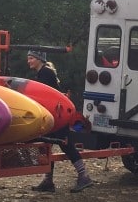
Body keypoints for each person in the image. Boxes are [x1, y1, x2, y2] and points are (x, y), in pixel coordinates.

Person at [27, 49, 93, 193]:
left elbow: (45, 96)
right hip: (52, 115)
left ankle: (84, 176)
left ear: (39, 59)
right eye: (28, 58)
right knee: (47, 145)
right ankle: (48, 181)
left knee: (65, 144)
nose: (29, 61)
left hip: (58, 115)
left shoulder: (45, 73)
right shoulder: (42, 72)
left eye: (31, 58)